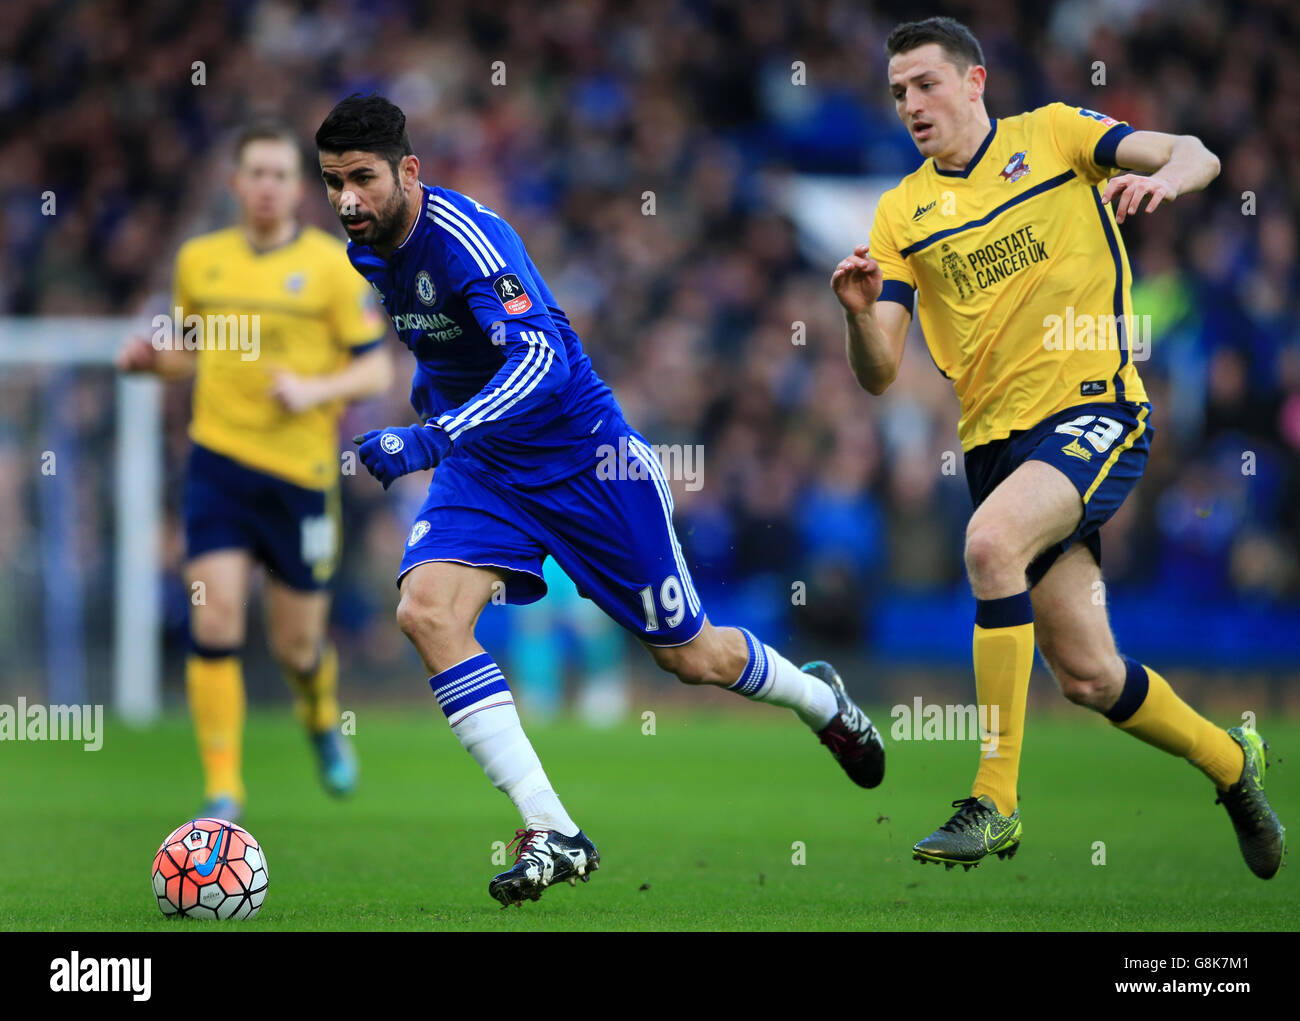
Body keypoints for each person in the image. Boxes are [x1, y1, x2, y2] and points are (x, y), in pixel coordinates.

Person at [315, 93, 886, 907]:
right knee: (426, 611)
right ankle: (552, 827)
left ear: (408, 170)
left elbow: (542, 360)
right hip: (488, 467)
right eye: (333, 181)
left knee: (691, 655)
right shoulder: (369, 249)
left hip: (589, 464)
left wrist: (432, 434)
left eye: (362, 179)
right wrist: (432, 391)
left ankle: (821, 700)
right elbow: (447, 340)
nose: (346, 200)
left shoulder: (467, 240)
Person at [831, 16, 1284, 876]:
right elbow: (880, 372)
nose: (911, 105)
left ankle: (994, 798)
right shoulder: (899, 214)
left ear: (974, 82)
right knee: (1090, 675)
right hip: (994, 449)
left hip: (1096, 411)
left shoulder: (1056, 134)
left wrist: (1173, 181)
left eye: (926, 84)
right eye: (897, 93)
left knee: (990, 544)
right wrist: (858, 317)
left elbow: (1195, 150)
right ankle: (1234, 763)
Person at [117, 120, 392, 822]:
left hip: (299, 479)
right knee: (214, 622)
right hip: (218, 469)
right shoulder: (200, 261)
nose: (268, 186)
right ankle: (223, 789)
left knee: (298, 644)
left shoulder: (334, 266)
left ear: (299, 189)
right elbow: (189, 352)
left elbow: (375, 366)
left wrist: (312, 390)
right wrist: (155, 363)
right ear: (236, 184)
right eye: (256, 174)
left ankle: (321, 716)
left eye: (280, 174)